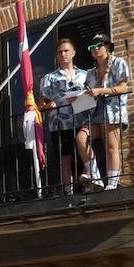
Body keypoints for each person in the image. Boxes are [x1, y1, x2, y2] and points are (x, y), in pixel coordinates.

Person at [37, 38, 90, 192]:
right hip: (59, 122)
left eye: (66, 50)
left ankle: (88, 185)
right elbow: (41, 103)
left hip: (83, 119)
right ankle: (68, 189)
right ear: (56, 56)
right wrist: (48, 105)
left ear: (74, 52)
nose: (63, 54)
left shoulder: (86, 75)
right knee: (65, 157)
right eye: (60, 52)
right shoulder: (49, 78)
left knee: (84, 151)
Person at [79, 32, 131, 190]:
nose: (95, 49)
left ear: (107, 47)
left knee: (111, 146)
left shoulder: (118, 63)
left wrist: (102, 90)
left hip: (113, 109)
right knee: (81, 138)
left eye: (99, 45)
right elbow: (88, 92)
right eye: (92, 47)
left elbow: (124, 87)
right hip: (94, 112)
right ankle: (94, 173)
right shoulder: (90, 73)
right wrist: (77, 98)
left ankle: (112, 183)